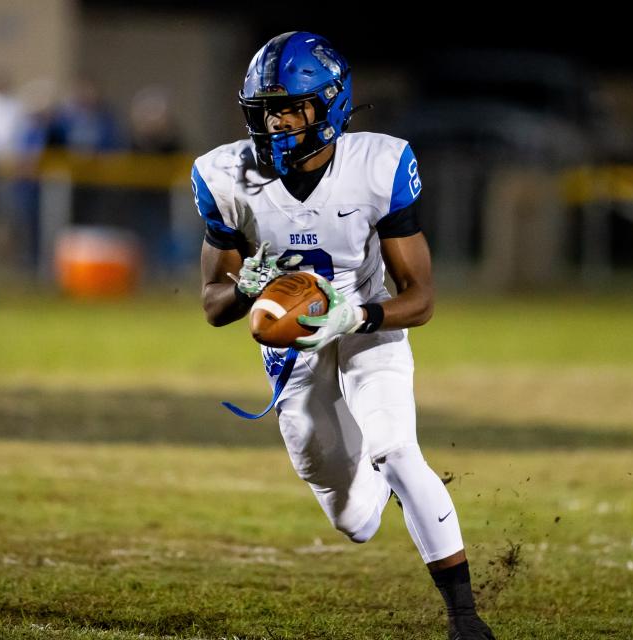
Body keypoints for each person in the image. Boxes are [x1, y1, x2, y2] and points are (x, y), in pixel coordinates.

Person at [192, 32, 496, 640]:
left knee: (397, 450)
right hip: (291, 344)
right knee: (354, 520)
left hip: (364, 321)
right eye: (265, 110)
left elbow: (421, 297)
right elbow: (212, 305)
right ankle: (378, 483)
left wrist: (354, 319)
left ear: (329, 106)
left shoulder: (377, 166)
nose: (274, 124)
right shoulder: (225, 174)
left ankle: (465, 619)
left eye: (289, 108)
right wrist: (249, 289)